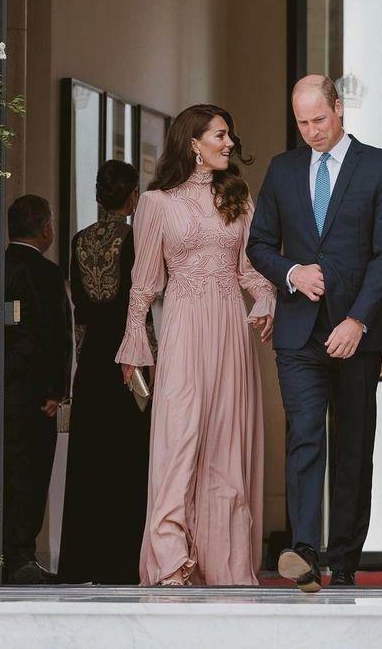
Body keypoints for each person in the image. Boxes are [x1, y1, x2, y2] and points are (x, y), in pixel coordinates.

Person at [247, 75, 382, 592]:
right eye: (303, 123)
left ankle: (344, 558)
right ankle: (306, 552)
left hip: (356, 331)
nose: (312, 131)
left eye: (319, 119)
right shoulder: (282, 169)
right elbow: (259, 244)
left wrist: (358, 320)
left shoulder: (380, 167)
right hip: (299, 333)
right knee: (305, 437)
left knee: (353, 446)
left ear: (339, 108)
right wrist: (292, 272)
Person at [116, 104, 275, 586]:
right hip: (184, 328)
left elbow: (250, 270)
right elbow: (144, 283)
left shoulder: (237, 198)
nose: (229, 143)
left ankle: (224, 564)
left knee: (226, 445)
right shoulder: (156, 203)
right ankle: (170, 560)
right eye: (220, 135)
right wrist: (134, 342)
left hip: (229, 329)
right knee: (179, 438)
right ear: (194, 143)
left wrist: (266, 297)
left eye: (229, 135)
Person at [58, 161, 154, 584]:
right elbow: (141, 308)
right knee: (128, 458)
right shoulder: (135, 238)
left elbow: (79, 312)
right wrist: (151, 362)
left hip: (94, 359)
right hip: (128, 357)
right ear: (132, 196)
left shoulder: (79, 240)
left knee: (90, 458)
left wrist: (83, 360)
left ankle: (84, 561)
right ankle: (122, 561)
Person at [4, 195, 71, 584]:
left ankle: (1, 552)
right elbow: (57, 336)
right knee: (32, 474)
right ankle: (21, 555)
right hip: (35, 395)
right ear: (46, 229)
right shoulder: (46, 274)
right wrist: (55, 390)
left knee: (4, 471)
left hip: (2, 391)